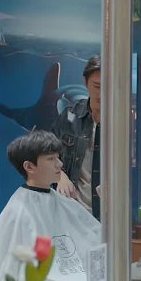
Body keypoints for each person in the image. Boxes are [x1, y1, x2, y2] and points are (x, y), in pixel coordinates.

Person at [0, 130, 102, 281]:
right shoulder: (19, 211)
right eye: (51, 159)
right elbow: (20, 270)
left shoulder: (63, 202)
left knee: (101, 279)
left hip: (69, 270)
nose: (60, 164)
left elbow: (94, 235)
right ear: (29, 166)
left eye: (58, 157)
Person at [52, 55, 102, 220]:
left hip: (108, 217)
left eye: (108, 87)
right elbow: (47, 156)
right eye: (97, 86)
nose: (102, 93)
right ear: (85, 83)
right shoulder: (69, 117)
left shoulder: (123, 123)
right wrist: (60, 176)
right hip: (72, 214)